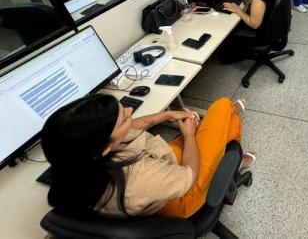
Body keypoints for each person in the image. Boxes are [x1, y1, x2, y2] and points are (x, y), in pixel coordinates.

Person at [41, 94, 254, 219]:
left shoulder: (77, 160)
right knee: (221, 106)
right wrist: (188, 136)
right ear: (105, 148)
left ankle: (230, 138)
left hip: (161, 161)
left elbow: (134, 126)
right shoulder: (136, 178)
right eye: (123, 118)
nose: (130, 110)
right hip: (183, 192)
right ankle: (233, 160)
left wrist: (167, 115)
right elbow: (188, 174)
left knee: (214, 128)